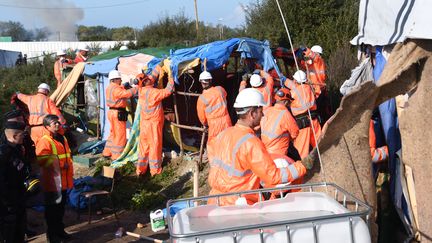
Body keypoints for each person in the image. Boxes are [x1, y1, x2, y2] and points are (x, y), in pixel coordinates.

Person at [207, 88, 308, 206]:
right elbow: (273, 177)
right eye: (261, 111)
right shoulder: (250, 142)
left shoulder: (223, 134)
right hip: (237, 205)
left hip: (214, 200)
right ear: (252, 113)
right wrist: (302, 166)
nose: (263, 114)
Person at [36, 115, 73, 243]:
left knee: (60, 210)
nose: (57, 124)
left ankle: (60, 232)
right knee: (52, 212)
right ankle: (52, 237)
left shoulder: (62, 138)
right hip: (52, 184)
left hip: (63, 182)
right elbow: (42, 160)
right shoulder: (45, 141)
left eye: (57, 122)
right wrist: (62, 165)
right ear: (47, 126)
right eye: (54, 123)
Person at [137, 71, 174, 176]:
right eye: (147, 79)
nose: (149, 78)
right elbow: (168, 91)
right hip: (153, 124)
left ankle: (140, 171)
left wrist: (157, 68)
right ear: (145, 82)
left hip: (144, 124)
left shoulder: (141, 91)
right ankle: (155, 171)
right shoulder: (153, 92)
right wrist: (171, 77)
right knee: (155, 146)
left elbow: (150, 79)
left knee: (144, 147)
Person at [0, 121, 29, 243]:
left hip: (19, 196)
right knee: (9, 233)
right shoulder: (3, 154)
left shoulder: (17, 149)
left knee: (19, 229)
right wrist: (6, 203)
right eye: (22, 135)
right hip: (8, 201)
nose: (24, 137)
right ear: (14, 136)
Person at [284, 70, 322, 158]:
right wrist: (285, 80)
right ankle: (324, 158)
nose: (293, 81)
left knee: (301, 150)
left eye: (294, 79)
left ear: (296, 81)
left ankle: (304, 168)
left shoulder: (294, 92)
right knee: (319, 143)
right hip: (314, 120)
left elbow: (288, 96)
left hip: (303, 123)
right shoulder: (309, 88)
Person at [102, 70, 138, 160]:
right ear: (115, 79)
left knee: (113, 133)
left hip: (111, 112)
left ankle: (107, 152)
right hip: (118, 113)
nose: (121, 80)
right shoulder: (116, 89)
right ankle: (117, 156)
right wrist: (137, 88)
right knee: (120, 135)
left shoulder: (109, 87)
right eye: (119, 79)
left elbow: (118, 92)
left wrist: (123, 86)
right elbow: (126, 94)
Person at [260, 88, 299, 156]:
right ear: (286, 102)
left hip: (265, 150)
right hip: (279, 152)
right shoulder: (286, 114)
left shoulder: (268, 110)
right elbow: (295, 133)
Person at [196, 71, 232, 142]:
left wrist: (205, 124)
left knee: (214, 146)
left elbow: (202, 118)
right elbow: (225, 94)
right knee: (228, 144)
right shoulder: (220, 89)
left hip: (214, 125)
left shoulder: (202, 98)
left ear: (201, 82)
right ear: (211, 80)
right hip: (226, 121)